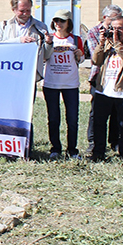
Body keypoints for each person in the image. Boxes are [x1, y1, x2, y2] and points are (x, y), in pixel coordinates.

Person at [89, 16, 123, 161]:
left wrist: (118, 43)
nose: (116, 31)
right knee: (99, 123)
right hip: (104, 88)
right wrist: (101, 43)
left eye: (119, 28)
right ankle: (98, 152)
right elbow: (96, 60)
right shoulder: (108, 42)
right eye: (113, 28)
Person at [40, 10, 84, 159]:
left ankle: (72, 149)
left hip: (70, 84)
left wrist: (79, 55)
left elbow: (81, 59)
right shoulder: (49, 39)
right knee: (53, 118)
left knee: (72, 118)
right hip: (51, 83)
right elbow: (44, 57)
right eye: (56, 21)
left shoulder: (76, 40)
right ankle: (55, 148)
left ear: (68, 23)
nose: (58, 24)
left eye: (62, 21)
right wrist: (48, 43)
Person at [85, 5, 123, 157]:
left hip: (117, 77)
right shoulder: (94, 32)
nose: (115, 22)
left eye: (118, 18)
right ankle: (93, 142)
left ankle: (115, 142)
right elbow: (97, 58)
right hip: (99, 76)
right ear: (104, 18)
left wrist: (117, 38)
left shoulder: (121, 32)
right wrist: (105, 40)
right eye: (112, 18)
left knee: (116, 111)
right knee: (97, 112)